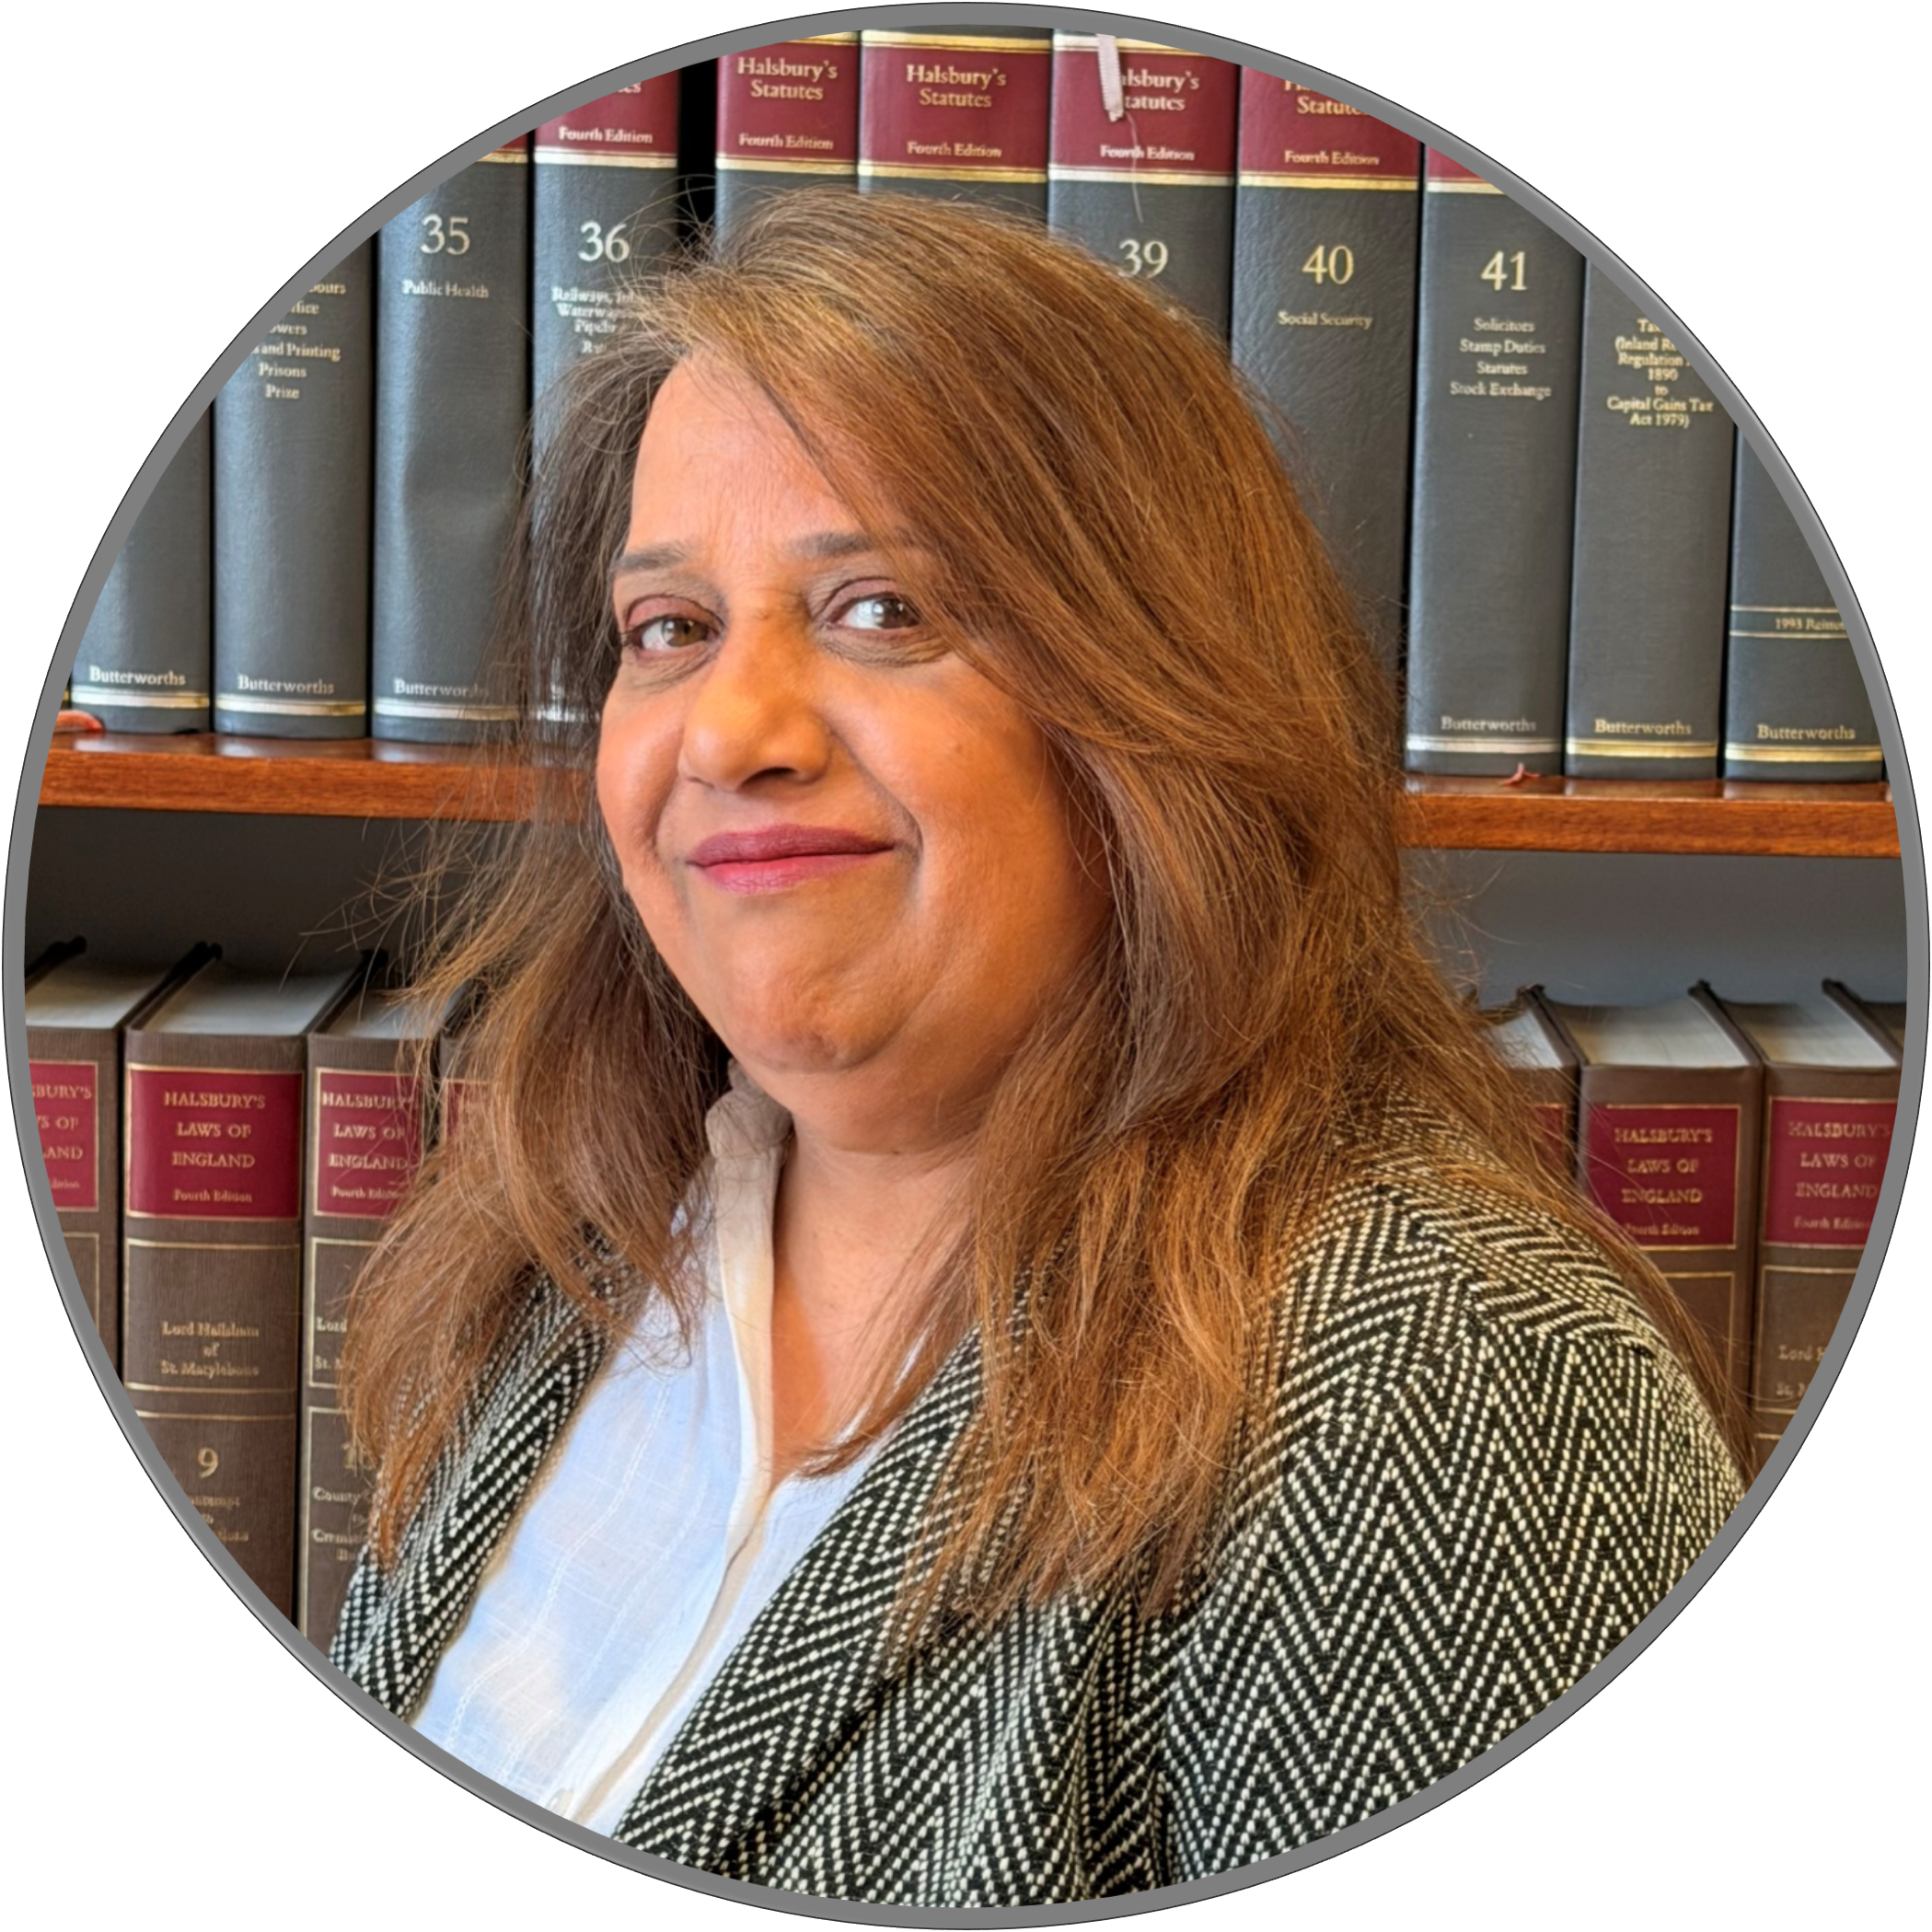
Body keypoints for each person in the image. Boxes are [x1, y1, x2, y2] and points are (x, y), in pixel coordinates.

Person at [331, 189, 1746, 1903]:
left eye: (879, 609)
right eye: (669, 630)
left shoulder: (1444, 1378)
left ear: (1153, 698)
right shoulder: (557, 1251)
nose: (729, 732)